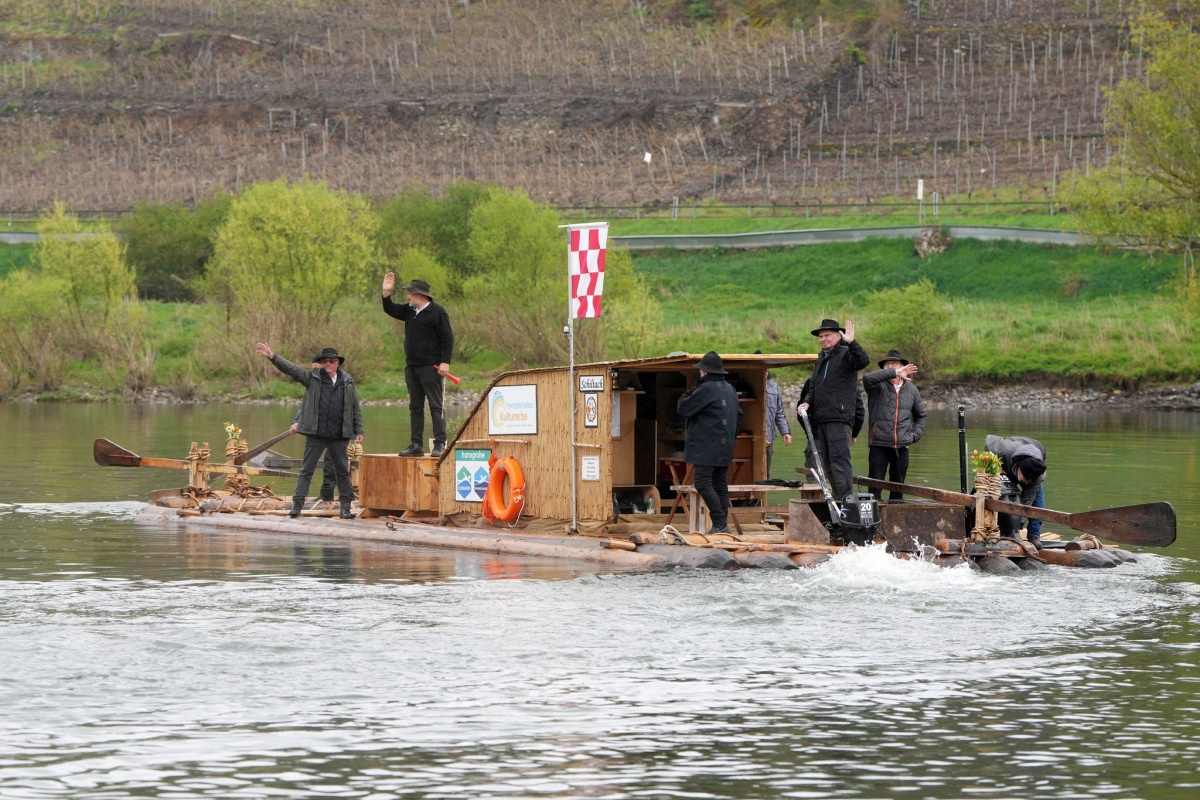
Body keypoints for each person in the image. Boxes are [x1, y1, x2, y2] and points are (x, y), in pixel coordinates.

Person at [255, 343, 364, 519]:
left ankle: (345, 508)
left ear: (337, 363)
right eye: (324, 361)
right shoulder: (312, 378)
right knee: (307, 470)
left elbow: (355, 408)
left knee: (342, 471)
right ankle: (297, 505)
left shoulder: (348, 382)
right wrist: (272, 356)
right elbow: (292, 369)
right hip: (316, 434)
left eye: (330, 361)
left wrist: (359, 430)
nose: (327, 364)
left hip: (338, 435)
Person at [381, 274, 454, 457]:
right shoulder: (410, 311)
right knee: (415, 407)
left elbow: (448, 338)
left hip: (431, 367)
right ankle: (416, 445)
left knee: (436, 406)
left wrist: (445, 362)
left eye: (410, 294)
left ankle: (439, 444)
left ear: (420, 295)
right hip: (412, 367)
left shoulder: (438, 312)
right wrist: (386, 292)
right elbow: (390, 309)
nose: (408, 297)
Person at [797, 318, 870, 499]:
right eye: (821, 336)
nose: (823, 339)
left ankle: (847, 502)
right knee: (828, 463)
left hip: (839, 417)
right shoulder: (821, 358)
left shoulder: (846, 354)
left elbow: (863, 361)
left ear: (839, 336)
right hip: (822, 419)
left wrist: (852, 342)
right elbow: (814, 386)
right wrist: (806, 402)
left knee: (839, 462)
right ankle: (838, 500)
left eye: (827, 335)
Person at [677, 351, 743, 534]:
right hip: (725, 446)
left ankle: (720, 523)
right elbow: (739, 417)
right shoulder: (730, 389)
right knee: (720, 483)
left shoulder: (705, 389)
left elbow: (683, 408)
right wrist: (730, 437)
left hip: (706, 446)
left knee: (702, 483)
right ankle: (722, 525)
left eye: (700, 371)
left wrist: (692, 389)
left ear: (704, 372)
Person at [863, 349, 927, 501]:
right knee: (874, 488)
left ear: (903, 365)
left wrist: (913, 436)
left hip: (902, 446)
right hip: (879, 443)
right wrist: (894, 372)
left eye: (894, 364)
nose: (890, 366)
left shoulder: (912, 390)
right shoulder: (877, 386)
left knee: (898, 489)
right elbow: (866, 378)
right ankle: (873, 520)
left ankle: (895, 519)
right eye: (887, 365)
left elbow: (921, 416)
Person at [984, 434, 1047, 545]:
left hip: (1032, 456)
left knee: (1037, 500)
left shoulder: (1037, 476)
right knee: (997, 492)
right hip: (1005, 463)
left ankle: (1034, 536)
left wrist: (1017, 526)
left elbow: (1027, 502)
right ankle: (991, 527)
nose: (1026, 483)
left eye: (1029, 481)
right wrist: (995, 464)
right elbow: (989, 441)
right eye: (1025, 479)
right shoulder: (1003, 450)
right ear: (1020, 470)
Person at [756, 349, 792, 477]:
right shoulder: (747, 383)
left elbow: (779, 413)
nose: (764, 371)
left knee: (765, 475)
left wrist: (785, 432)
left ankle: (762, 497)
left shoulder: (774, 387)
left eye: (766, 368)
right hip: (753, 440)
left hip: (768, 439)